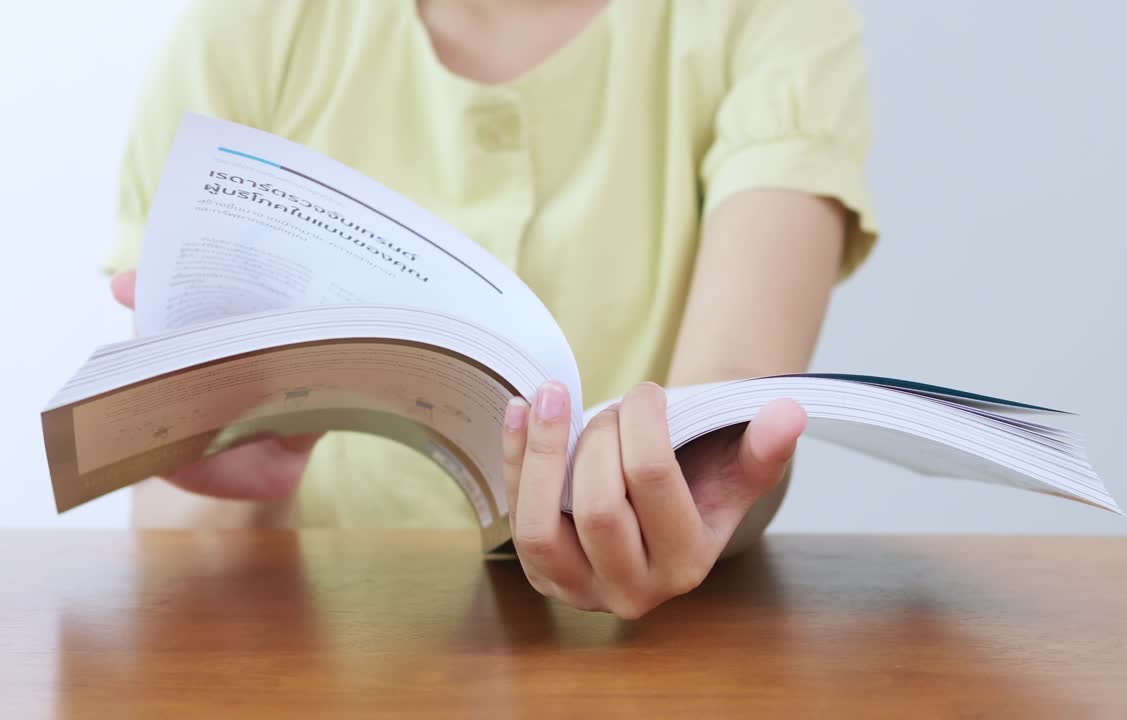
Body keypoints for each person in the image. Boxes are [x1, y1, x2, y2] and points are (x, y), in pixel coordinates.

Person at [105, 0, 877, 618]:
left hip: (646, 657)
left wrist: (693, 485)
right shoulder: (247, 28)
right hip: (312, 649)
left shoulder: (772, 17)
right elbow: (180, 536)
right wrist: (234, 479)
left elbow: (727, 410)